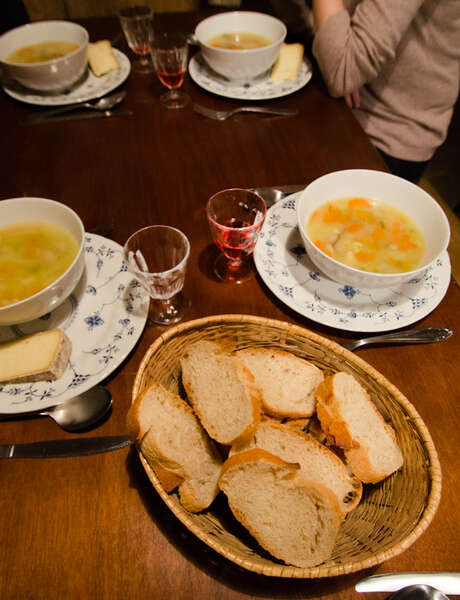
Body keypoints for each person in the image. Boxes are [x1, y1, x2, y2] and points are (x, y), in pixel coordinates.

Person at [269, 0, 460, 184]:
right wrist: (334, 44)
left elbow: (342, 69)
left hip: (386, 128)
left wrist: (340, 54)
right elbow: (299, 23)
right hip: (334, 102)